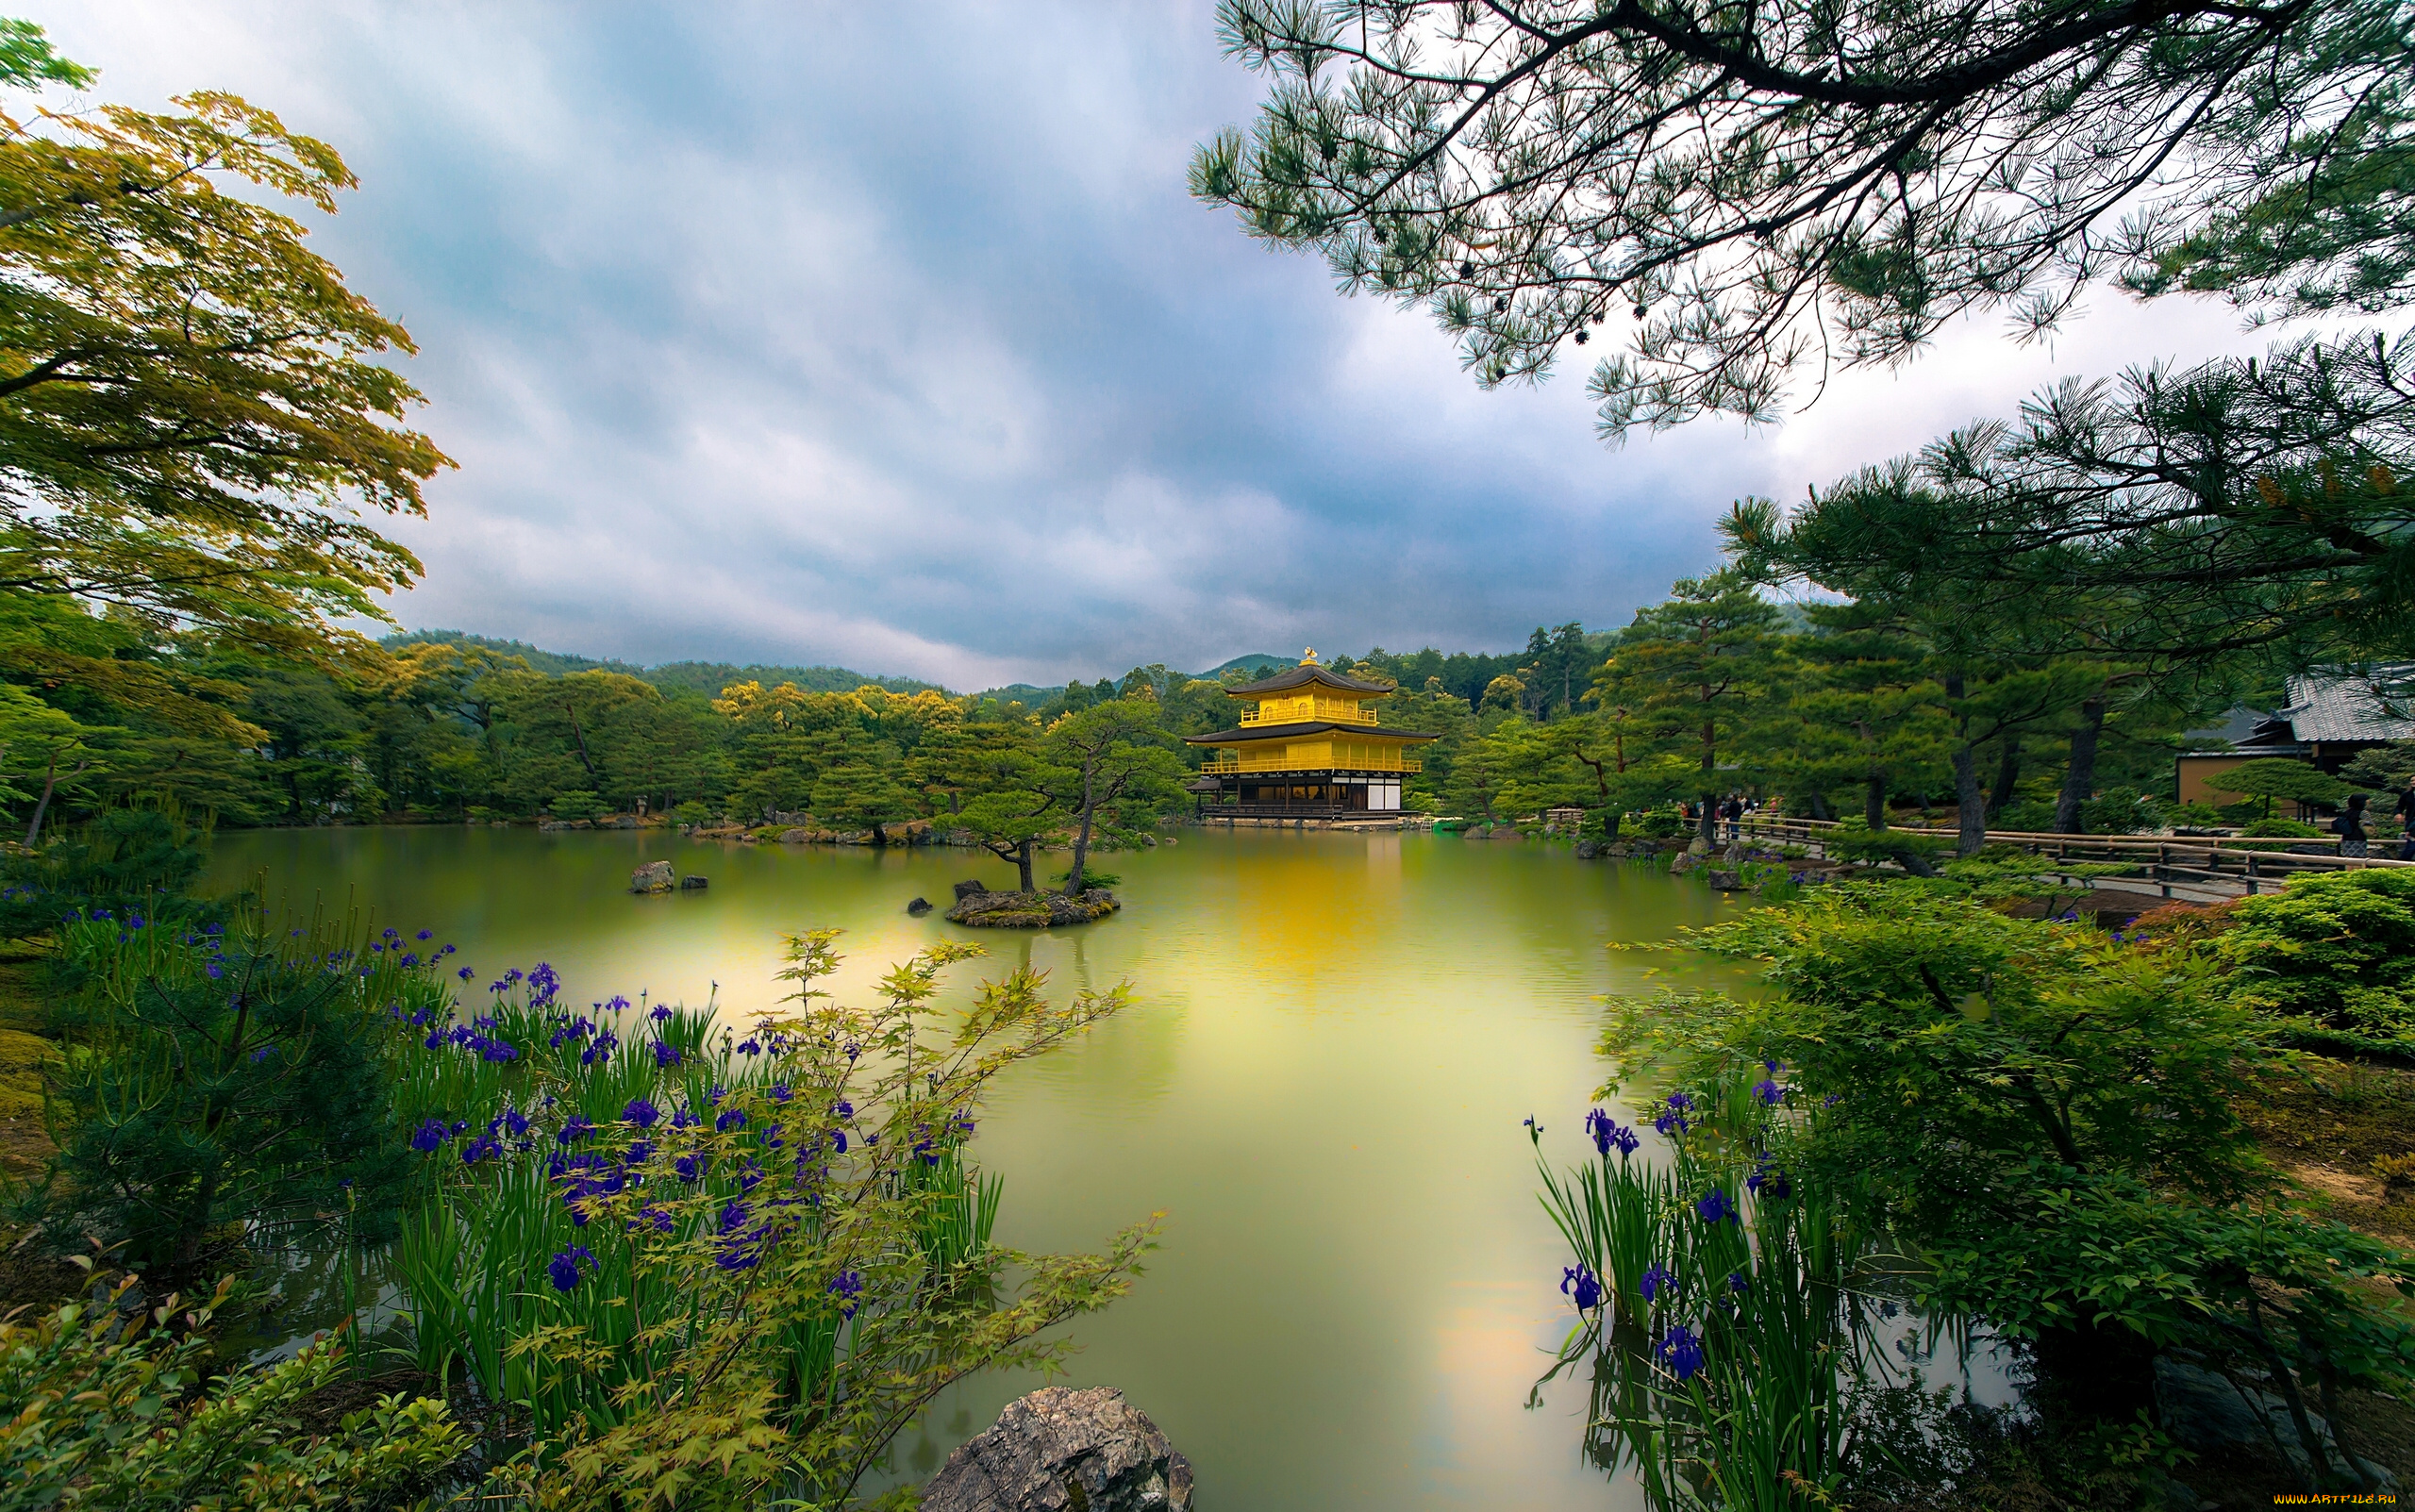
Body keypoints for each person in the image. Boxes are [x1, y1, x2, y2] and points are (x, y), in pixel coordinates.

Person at [2334, 793, 2369, 859]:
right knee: (2358, 860)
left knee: (2348, 859)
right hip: (2359, 838)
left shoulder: (2346, 812)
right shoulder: (2363, 813)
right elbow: (2369, 825)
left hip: (2346, 838)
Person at [2397, 781, 2415, 861]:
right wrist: (2398, 814)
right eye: (2412, 780)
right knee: (2411, 846)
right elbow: (2399, 807)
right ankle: (2401, 864)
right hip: (2412, 823)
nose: (2413, 782)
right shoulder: (2407, 795)